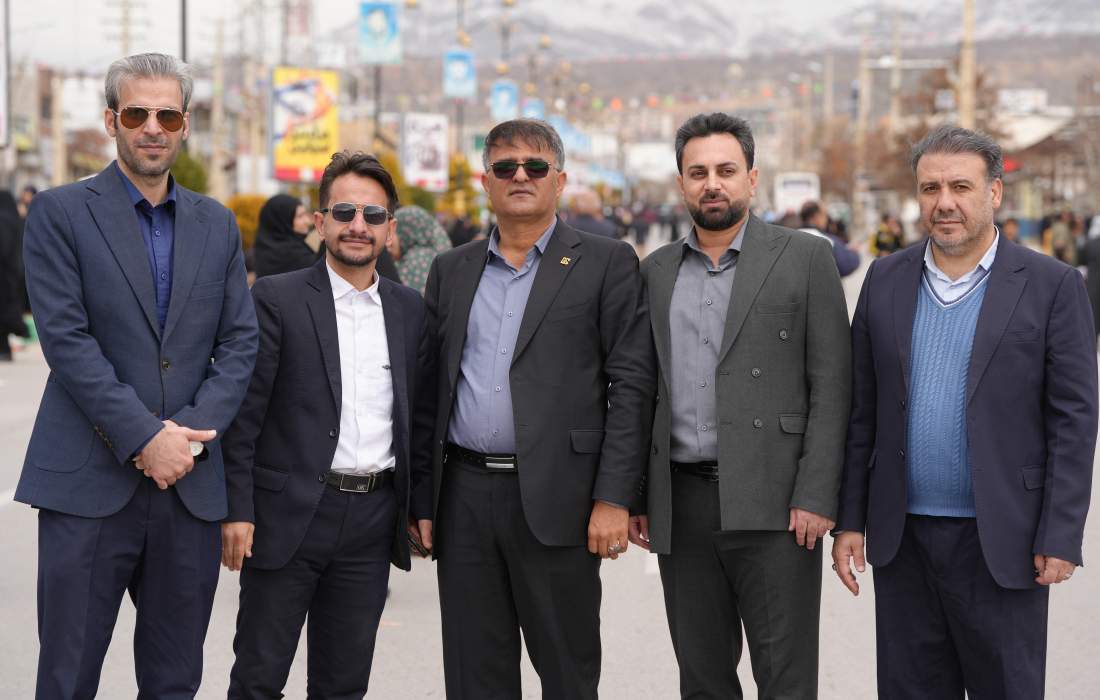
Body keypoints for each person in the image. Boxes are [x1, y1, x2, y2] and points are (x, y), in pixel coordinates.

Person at [14, 53, 258, 698]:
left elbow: (240, 343)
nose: (153, 127)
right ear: (110, 121)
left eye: (168, 115)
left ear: (185, 125)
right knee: (66, 679)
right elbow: (67, 342)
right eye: (136, 113)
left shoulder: (216, 224)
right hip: (86, 484)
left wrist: (186, 439)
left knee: (175, 682)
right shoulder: (60, 213)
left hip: (188, 489)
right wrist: (146, 438)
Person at [833, 125, 1097, 699]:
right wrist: (850, 519)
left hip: (1004, 539)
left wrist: (1060, 532)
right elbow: (861, 412)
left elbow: (1074, 422)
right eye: (930, 188)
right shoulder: (885, 279)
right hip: (903, 539)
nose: (944, 202)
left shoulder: (1051, 286)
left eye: (960, 186)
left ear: (994, 192)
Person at [422, 118, 655, 699]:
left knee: (568, 675)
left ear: (560, 180)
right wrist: (421, 500)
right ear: (486, 182)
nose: (520, 176)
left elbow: (631, 385)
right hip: (464, 500)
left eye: (535, 166)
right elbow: (430, 390)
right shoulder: (451, 269)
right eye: (505, 167)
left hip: (561, 500)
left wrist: (615, 498)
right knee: (474, 679)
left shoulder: (606, 261)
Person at [630, 113, 851, 699]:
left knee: (786, 680)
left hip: (779, 506)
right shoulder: (653, 272)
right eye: (698, 172)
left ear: (752, 179)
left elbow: (833, 385)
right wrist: (638, 495)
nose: (713, 184)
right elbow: (640, 391)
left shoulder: (805, 258)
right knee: (702, 680)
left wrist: (816, 494)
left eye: (726, 171)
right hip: (683, 506)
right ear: (681, 183)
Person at [222, 151, 435, 698]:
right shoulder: (277, 298)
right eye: (344, 212)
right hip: (286, 517)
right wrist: (238, 509)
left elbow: (420, 418)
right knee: (257, 680)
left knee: (343, 685)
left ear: (390, 229)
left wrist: (421, 507)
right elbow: (245, 415)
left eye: (373, 214)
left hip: (371, 522)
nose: (358, 225)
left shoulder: (410, 310)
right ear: (320, 223)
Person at [252, 193, 318, 278]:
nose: (307, 221)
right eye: (300, 216)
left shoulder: (263, 248)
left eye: (305, 214)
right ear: (283, 221)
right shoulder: (296, 256)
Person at [393, 204, 451, 295]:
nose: (388, 240)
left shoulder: (417, 260)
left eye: (393, 232)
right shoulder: (436, 253)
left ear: (405, 232)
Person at [799, 199, 861, 277]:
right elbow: (845, 266)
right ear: (816, 216)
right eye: (825, 214)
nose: (826, 219)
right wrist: (854, 253)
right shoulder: (827, 240)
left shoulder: (791, 238)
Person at [0, 190, 27, 360]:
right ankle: (5, 349)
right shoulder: (17, 220)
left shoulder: (3, 221)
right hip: (16, 273)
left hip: (3, 276)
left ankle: (4, 349)